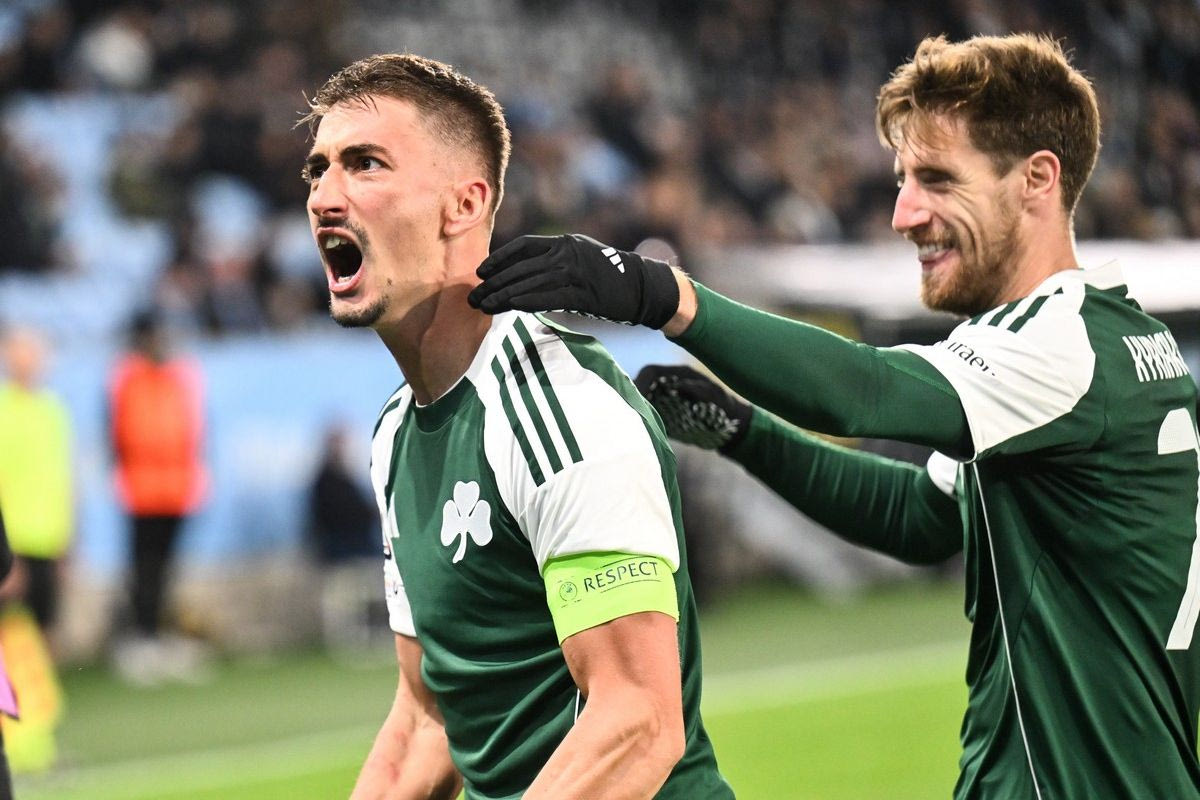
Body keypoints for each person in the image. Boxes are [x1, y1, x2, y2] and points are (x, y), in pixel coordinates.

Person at [469, 33, 1200, 799]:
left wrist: (663, 294)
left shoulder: (1055, 343)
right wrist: (746, 434)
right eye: (902, 179)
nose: (904, 213)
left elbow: (864, 390)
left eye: (937, 179)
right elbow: (921, 517)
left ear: (1036, 180)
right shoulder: (1110, 340)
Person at [300, 53, 733, 799]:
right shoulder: (396, 434)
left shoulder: (559, 406)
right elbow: (429, 716)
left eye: (364, 164)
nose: (323, 197)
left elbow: (637, 719)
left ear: (463, 205)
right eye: (317, 170)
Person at [108, 308, 209, 686]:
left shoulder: (179, 377)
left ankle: (160, 636)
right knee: (144, 569)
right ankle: (141, 638)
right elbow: (122, 435)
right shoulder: (128, 379)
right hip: (142, 491)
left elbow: (191, 431)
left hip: (177, 490)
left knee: (166, 570)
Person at [0, 324, 71, 772]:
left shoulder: (52, 410)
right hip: (14, 546)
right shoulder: (3, 411)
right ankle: (15, 737)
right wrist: (7, 556)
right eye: (21, 352)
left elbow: (60, 478)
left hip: (49, 540)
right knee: (10, 641)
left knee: (44, 639)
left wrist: (66, 543)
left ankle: (40, 733)